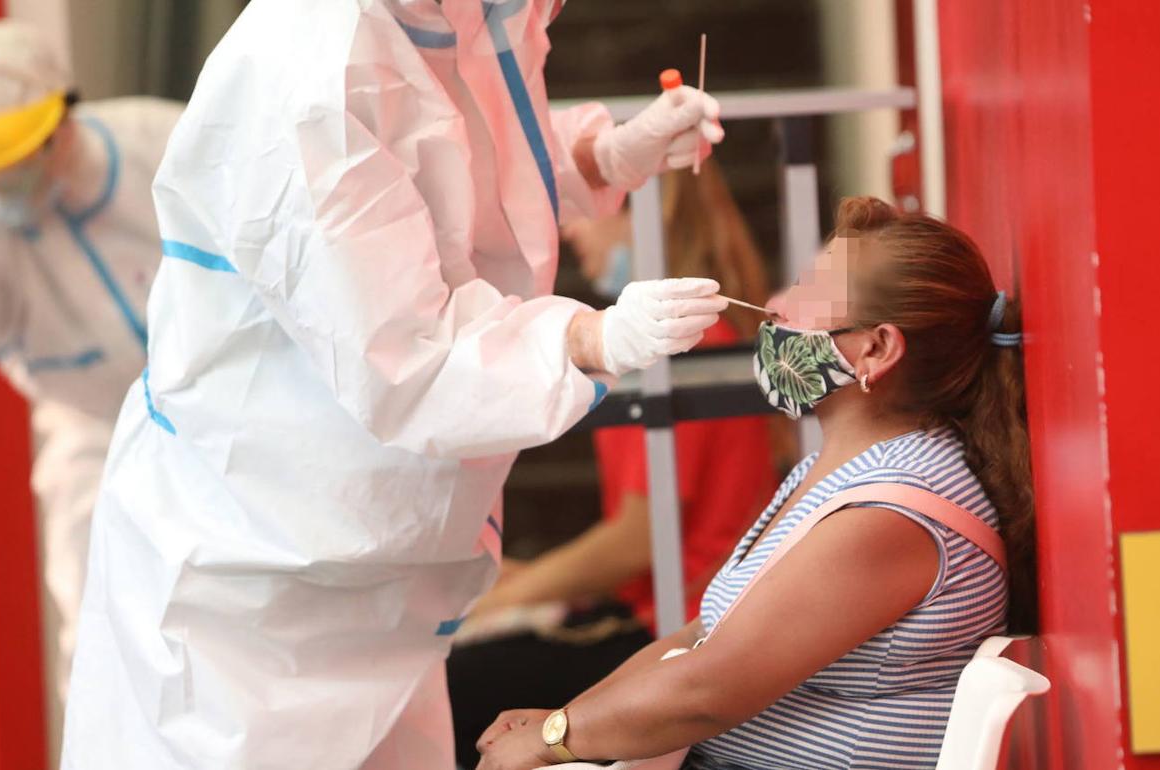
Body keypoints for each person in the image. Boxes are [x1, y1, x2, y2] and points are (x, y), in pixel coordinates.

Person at [60, 1, 730, 768]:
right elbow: (406, 353)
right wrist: (589, 336)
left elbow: (469, 167)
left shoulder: (453, 15)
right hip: (248, 583)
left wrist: (604, 156)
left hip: (383, 573)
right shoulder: (313, 74)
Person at [472, 195, 1036, 770]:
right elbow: (699, 638)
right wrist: (559, 724)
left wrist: (553, 739)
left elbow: (706, 690)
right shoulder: (845, 472)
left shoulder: (895, 510)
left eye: (804, 294)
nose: (774, 305)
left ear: (877, 348)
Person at [447, 161, 780, 770]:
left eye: (581, 216)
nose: (570, 235)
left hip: (671, 635)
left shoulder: (687, 355)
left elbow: (634, 542)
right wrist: (510, 583)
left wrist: (499, 603)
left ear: (639, 217)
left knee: (451, 688)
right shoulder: (697, 346)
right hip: (663, 618)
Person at [0, 19, 183, 714]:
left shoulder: (157, 139)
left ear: (63, 116)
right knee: (97, 609)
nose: (6, 176)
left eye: (18, 153)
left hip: (232, 404)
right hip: (91, 422)